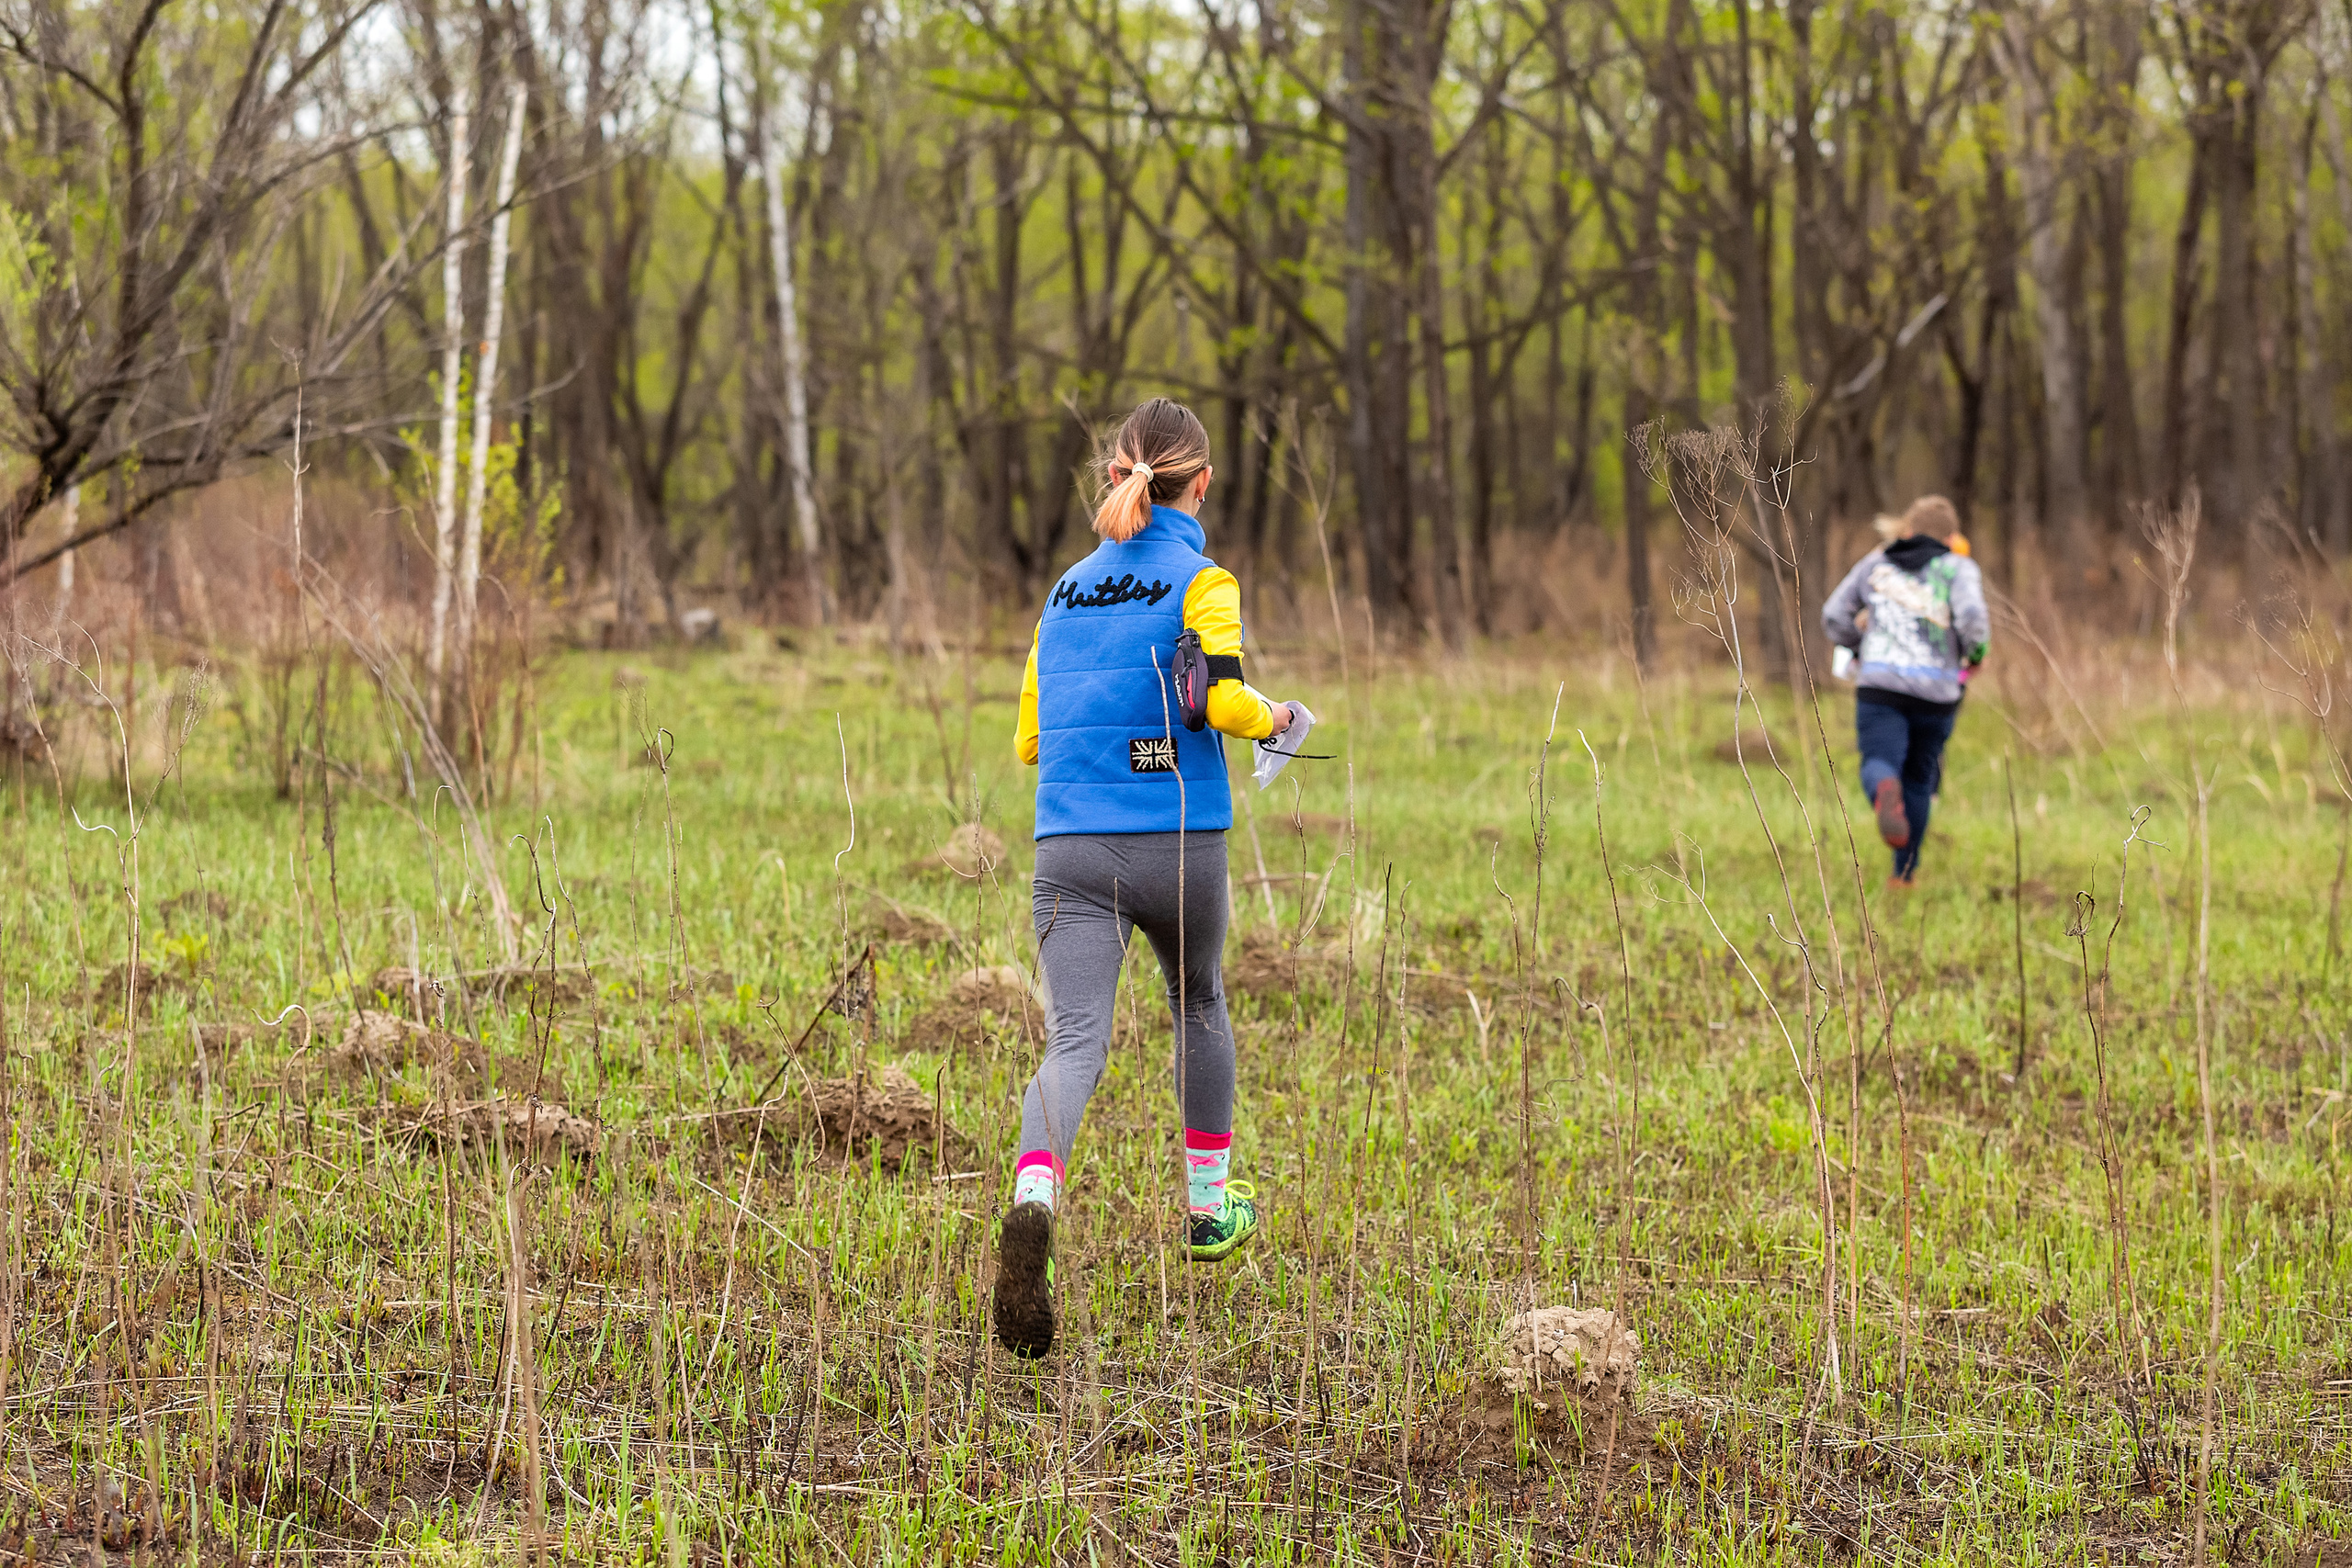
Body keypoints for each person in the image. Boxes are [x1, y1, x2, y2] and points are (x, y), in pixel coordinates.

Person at [994, 396, 1308, 1359]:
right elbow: (1218, 696)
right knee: (1198, 1001)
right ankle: (1210, 1214)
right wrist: (1282, 720)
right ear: (1200, 483)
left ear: (1116, 476)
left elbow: (1027, 742)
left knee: (1075, 1043)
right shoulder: (1204, 580)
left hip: (1066, 848)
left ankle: (1033, 1195)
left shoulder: (1062, 593)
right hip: (1177, 841)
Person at [1821, 494, 1989, 888]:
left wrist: (1861, 647)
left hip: (1881, 686)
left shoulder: (1876, 563)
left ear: (1907, 530)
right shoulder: (1958, 568)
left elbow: (1833, 615)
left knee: (1880, 762)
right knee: (1919, 778)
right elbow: (1973, 619)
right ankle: (1904, 875)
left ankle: (1883, 788)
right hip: (1939, 692)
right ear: (1951, 538)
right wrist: (1973, 655)